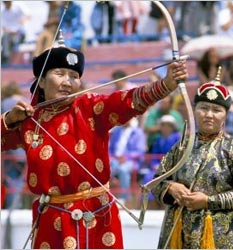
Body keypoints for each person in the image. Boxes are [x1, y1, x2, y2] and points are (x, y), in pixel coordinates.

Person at [1, 37, 188, 248]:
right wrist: (8, 120)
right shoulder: (28, 120)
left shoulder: (90, 107)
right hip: (51, 221)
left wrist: (166, 84)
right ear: (42, 81)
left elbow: (128, 102)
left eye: (74, 76)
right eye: (60, 74)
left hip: (96, 217)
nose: (67, 82)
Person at [151, 70, 233, 249]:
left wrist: (208, 201)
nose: (209, 115)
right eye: (203, 108)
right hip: (178, 234)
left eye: (216, 110)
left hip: (221, 238)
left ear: (225, 115)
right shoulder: (181, 146)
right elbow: (156, 182)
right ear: (194, 110)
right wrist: (171, 187)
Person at [109, 117, 146, 202]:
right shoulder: (117, 131)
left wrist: (126, 157)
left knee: (123, 170)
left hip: (131, 161)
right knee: (107, 168)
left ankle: (124, 198)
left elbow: (140, 151)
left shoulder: (138, 132)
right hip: (115, 159)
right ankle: (105, 196)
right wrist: (112, 157)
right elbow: (110, 149)